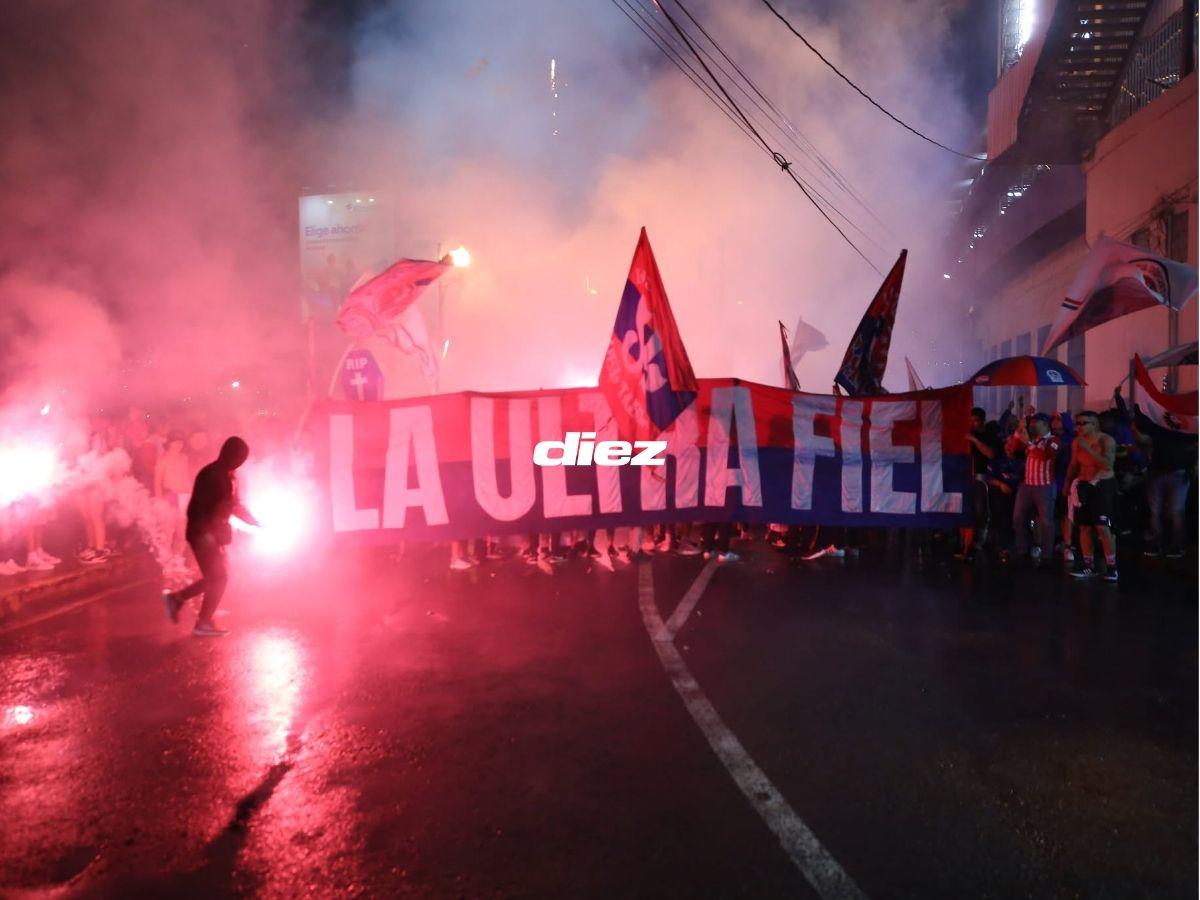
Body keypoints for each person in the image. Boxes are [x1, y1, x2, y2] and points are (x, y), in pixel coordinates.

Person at [162, 436, 259, 636]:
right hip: (203, 535)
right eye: (240, 458)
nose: (241, 463)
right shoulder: (213, 475)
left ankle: (177, 600)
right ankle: (201, 622)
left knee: (216, 577)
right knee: (219, 577)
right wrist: (218, 535)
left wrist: (253, 521)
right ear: (231, 455)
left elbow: (233, 505)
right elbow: (217, 509)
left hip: (210, 535)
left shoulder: (227, 475)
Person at [1067, 411, 1118, 581]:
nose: (1079, 427)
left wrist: (1088, 448)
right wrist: (1067, 484)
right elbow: (1074, 464)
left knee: (1102, 527)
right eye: (1078, 423)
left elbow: (1107, 464)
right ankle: (1089, 565)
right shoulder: (1076, 442)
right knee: (1084, 526)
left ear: (1094, 424)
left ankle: (1112, 566)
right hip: (1083, 484)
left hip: (1102, 484)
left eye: (1083, 423)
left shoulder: (1106, 440)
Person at [1006, 412, 1060, 564]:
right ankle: (1022, 549)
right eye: (1031, 423)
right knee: (1017, 518)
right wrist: (1018, 430)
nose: (1032, 426)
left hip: (1045, 486)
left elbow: (1045, 456)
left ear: (1045, 425)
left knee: (1046, 521)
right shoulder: (1032, 439)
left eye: (1036, 423)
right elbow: (1012, 449)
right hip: (1027, 485)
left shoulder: (1053, 440)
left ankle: (1047, 555)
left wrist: (1028, 443)